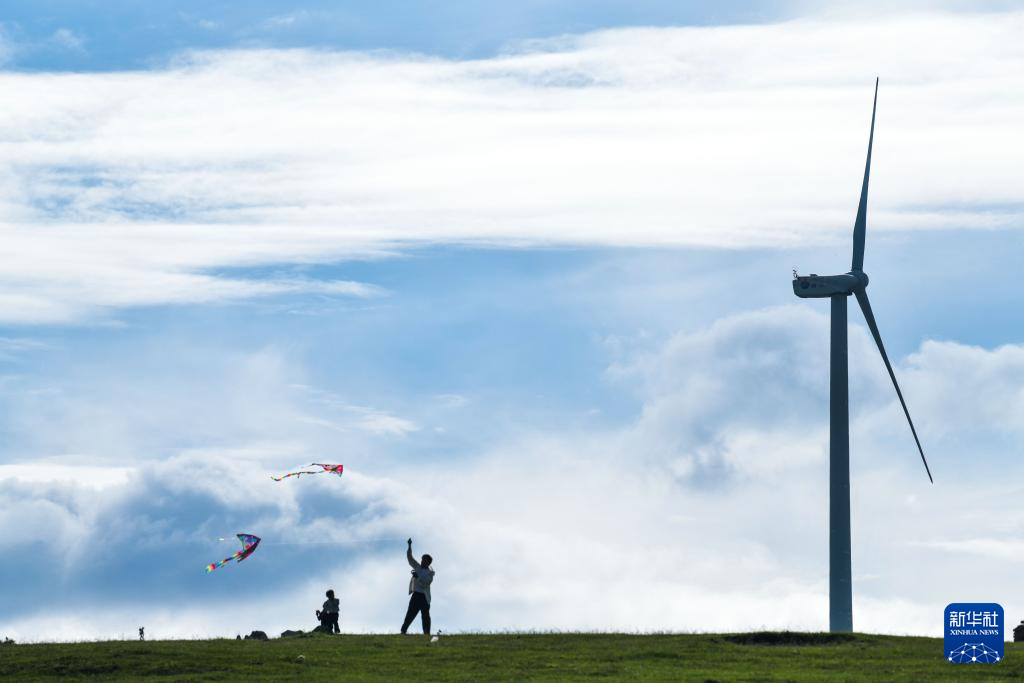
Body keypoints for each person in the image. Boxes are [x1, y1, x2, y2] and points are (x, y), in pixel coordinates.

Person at [400, 538, 434, 635]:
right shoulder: (417, 567)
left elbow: (425, 584)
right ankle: (403, 631)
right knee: (410, 614)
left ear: (428, 562)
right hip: (416, 595)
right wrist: (409, 546)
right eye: (422, 559)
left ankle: (426, 633)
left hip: (424, 597)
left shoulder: (430, 574)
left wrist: (417, 577)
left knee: (425, 616)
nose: (422, 561)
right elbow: (410, 558)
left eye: (424, 560)